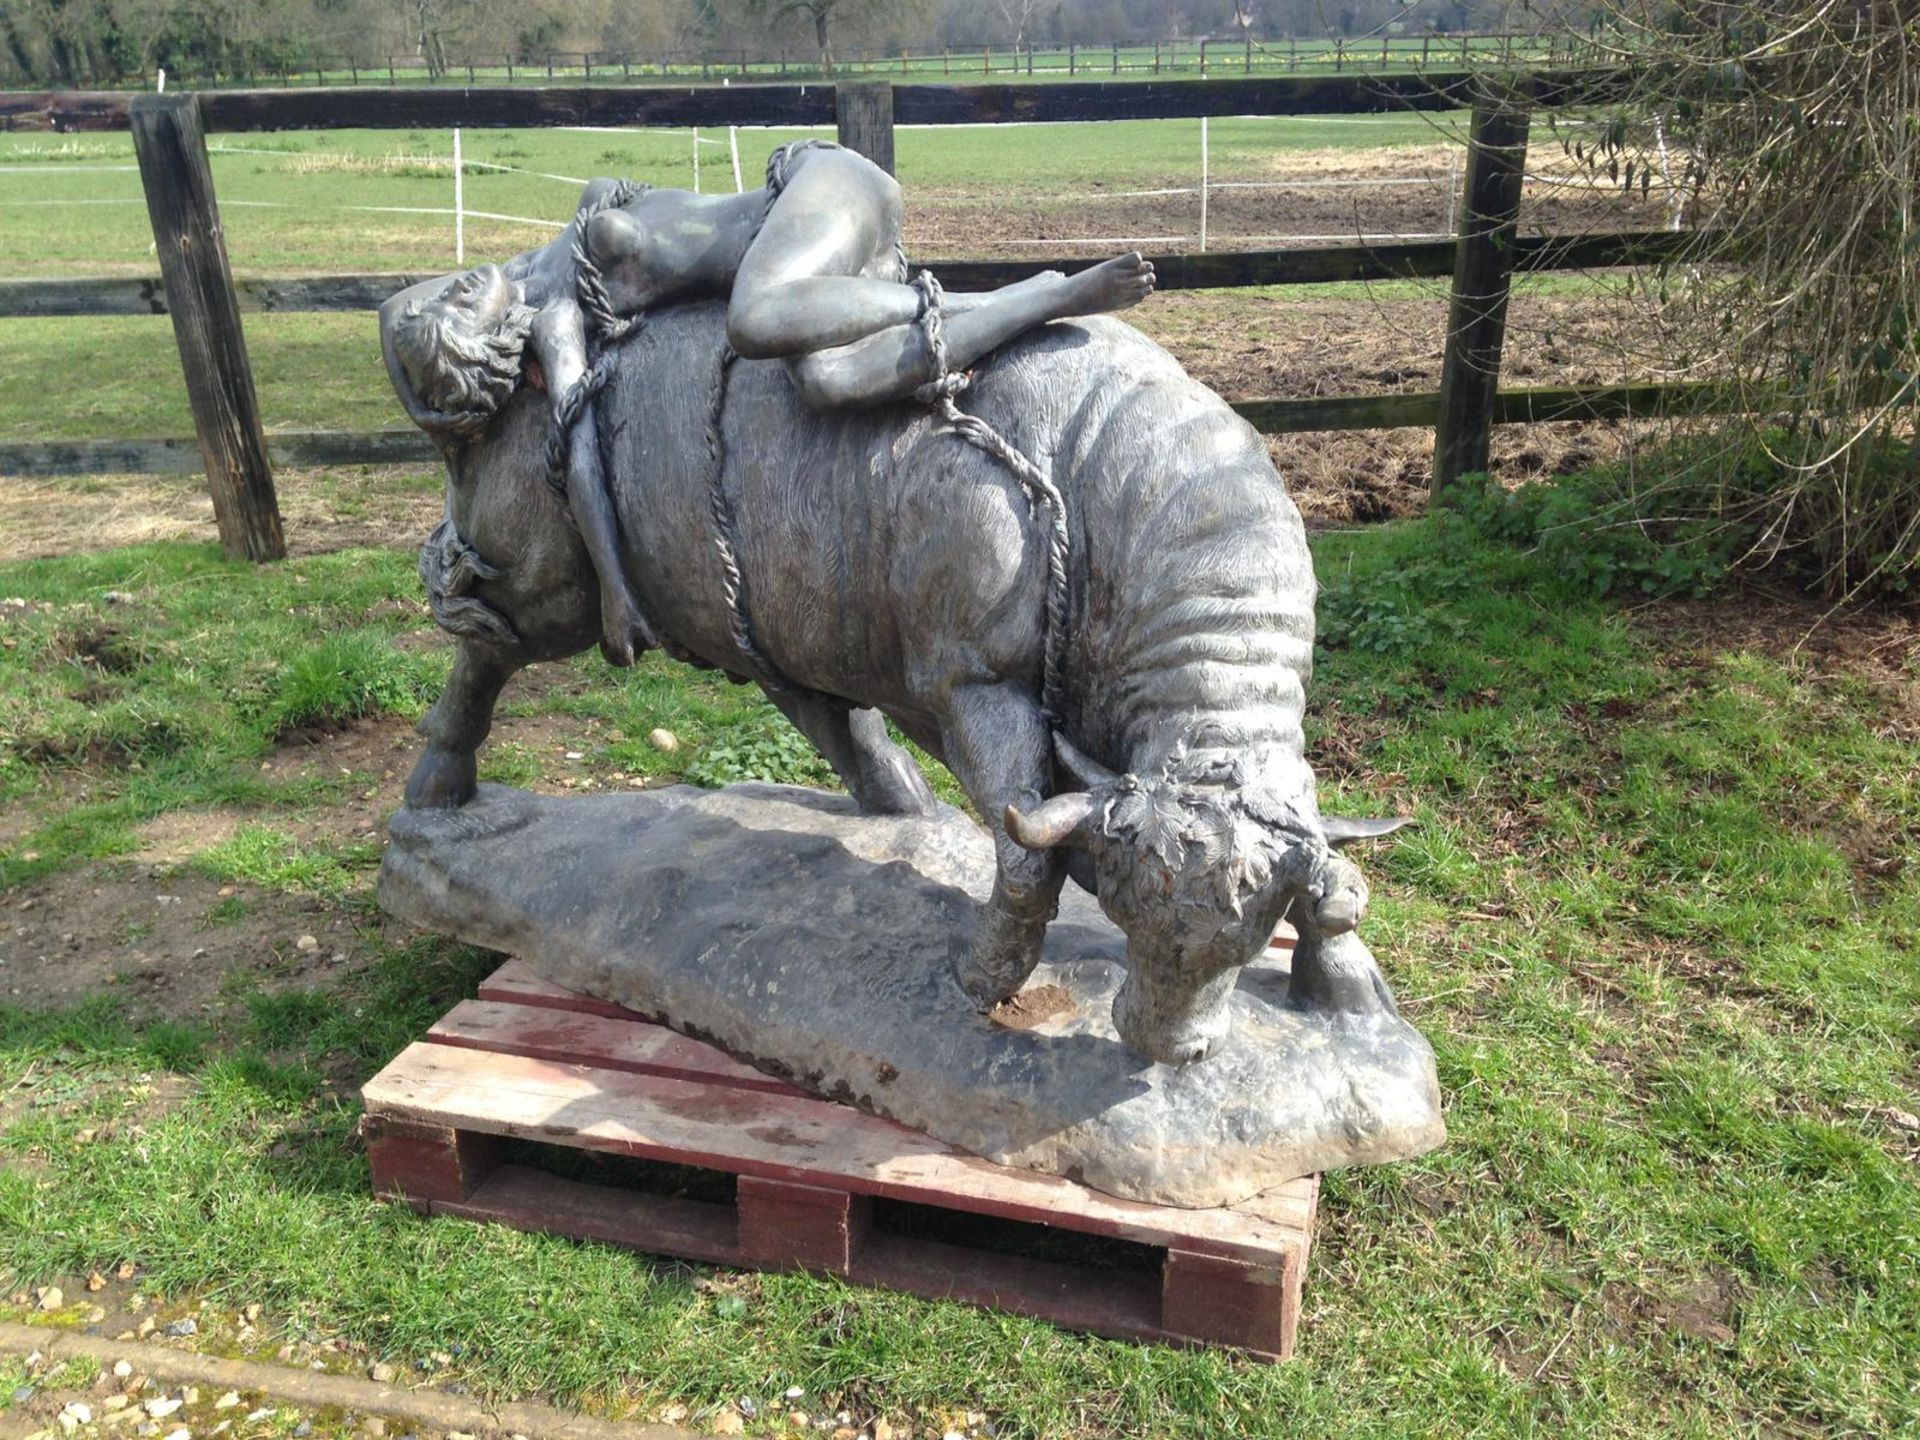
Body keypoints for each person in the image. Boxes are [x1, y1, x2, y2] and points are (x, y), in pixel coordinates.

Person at [381, 141, 1156, 666]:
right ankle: (1006, 303)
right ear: (476, 354)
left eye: (442, 297)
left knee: (754, 321)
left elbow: (581, 453)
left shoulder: (552, 291)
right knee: (827, 381)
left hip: (817, 192)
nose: (455, 290)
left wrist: (616, 593)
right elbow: (579, 445)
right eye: (447, 315)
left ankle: (1025, 297)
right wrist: (618, 590)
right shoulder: (555, 312)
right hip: (823, 246)